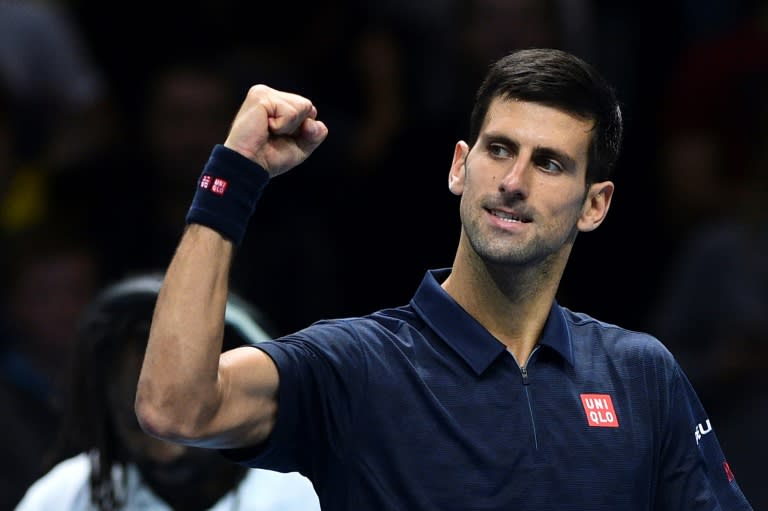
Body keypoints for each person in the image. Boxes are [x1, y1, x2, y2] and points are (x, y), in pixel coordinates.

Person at [135, 48, 754, 510]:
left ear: (595, 205)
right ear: (461, 165)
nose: (514, 181)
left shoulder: (641, 374)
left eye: (550, 163)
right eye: (499, 149)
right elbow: (175, 407)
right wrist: (232, 179)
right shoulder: (357, 365)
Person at [14, 273, 320, 511]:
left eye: (187, 419)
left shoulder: (307, 490)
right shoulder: (67, 496)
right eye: (138, 425)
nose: (166, 452)